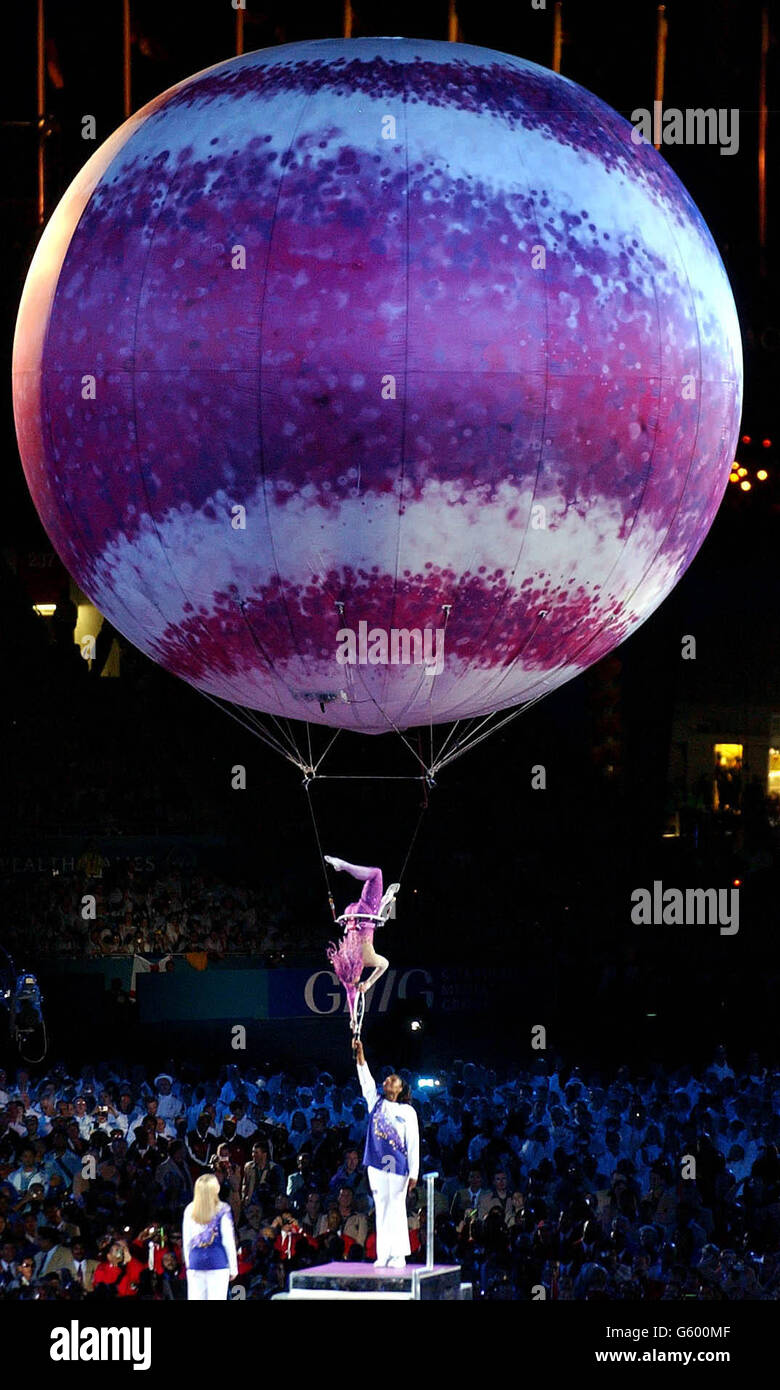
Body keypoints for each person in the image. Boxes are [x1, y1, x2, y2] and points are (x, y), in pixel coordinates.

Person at [354, 1038, 419, 1268]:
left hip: (398, 1164)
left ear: (401, 1088)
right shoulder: (375, 1102)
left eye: (393, 1080)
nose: (387, 1081)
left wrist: (414, 1172)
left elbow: (413, 1142)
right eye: (387, 1078)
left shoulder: (407, 1111)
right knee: (381, 1205)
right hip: (376, 1163)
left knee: (396, 1206)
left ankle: (399, 1253)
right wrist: (360, 1053)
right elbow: (365, 1079)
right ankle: (384, 1253)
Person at [325, 857, 394, 1035]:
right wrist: (354, 1021)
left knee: (376, 874)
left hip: (364, 914)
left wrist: (369, 983)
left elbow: (385, 965)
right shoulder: (345, 965)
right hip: (350, 915)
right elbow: (351, 996)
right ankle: (383, 905)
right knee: (378, 916)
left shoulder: (367, 960)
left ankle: (345, 866)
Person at [182, 1173, 237, 1300]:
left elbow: (187, 1241)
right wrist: (233, 1267)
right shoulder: (223, 1209)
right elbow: (228, 1240)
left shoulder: (189, 1209)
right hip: (218, 1261)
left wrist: (189, 1264)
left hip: (195, 1261)